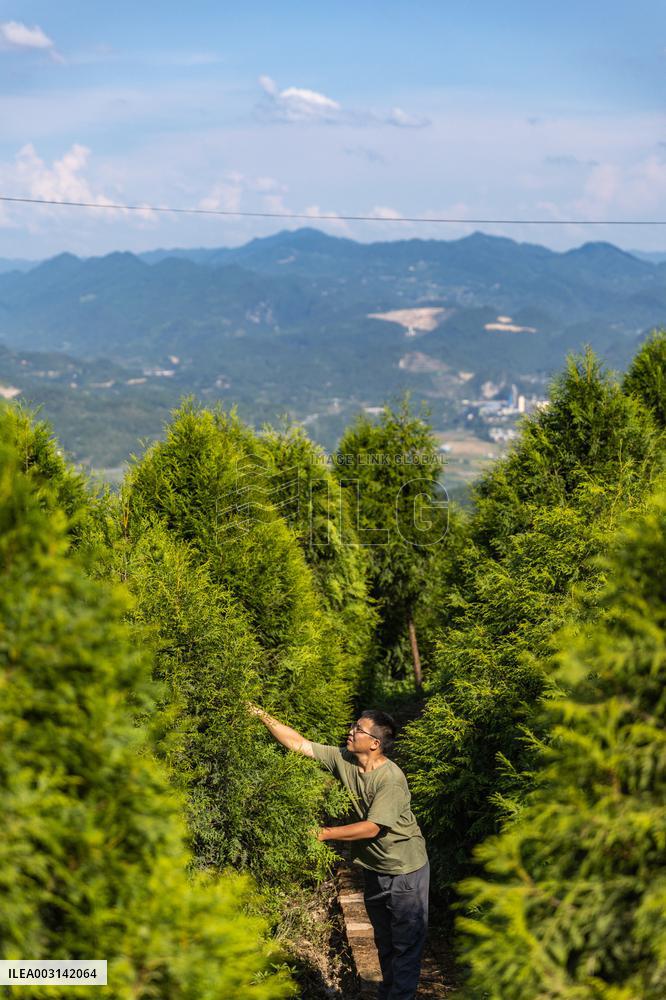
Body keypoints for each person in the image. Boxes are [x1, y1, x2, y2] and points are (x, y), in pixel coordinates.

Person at [248, 703, 429, 1000]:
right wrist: (261, 715)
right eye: (353, 726)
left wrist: (324, 833)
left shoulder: (390, 779)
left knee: (406, 945)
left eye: (358, 729)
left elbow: (372, 827)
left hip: (405, 871)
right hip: (374, 867)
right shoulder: (345, 759)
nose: (350, 731)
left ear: (374, 743)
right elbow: (300, 744)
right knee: (384, 941)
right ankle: (388, 993)